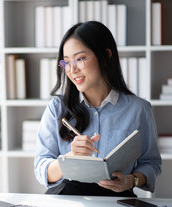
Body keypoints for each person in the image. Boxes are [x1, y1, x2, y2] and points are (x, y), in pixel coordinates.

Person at [34, 21, 162, 197]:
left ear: (106, 56)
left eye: (80, 59)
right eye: (66, 62)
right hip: (67, 201)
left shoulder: (139, 109)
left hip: (118, 202)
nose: (72, 70)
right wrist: (70, 157)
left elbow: (151, 163)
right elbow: (41, 168)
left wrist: (131, 180)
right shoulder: (57, 108)